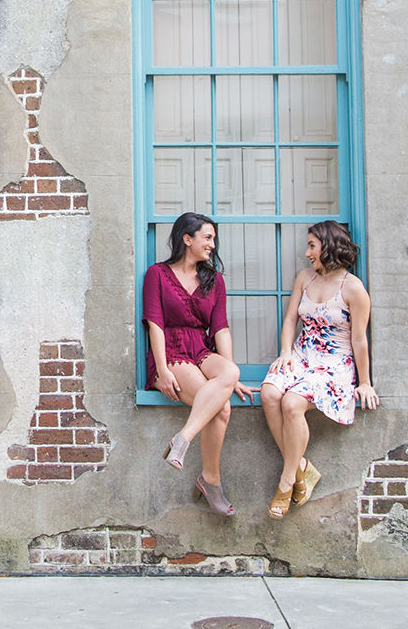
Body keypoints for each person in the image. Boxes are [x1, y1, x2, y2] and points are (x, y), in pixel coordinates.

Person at [260, 219, 378, 519]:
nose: (307, 253)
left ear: (329, 245)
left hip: (335, 362)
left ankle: (287, 483)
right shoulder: (305, 278)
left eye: (312, 245)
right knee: (270, 393)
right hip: (301, 353)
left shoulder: (353, 288)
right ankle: (300, 467)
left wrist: (364, 382)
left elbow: (359, 339)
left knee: (291, 403)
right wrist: (286, 352)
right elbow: (290, 320)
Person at [142, 211, 254, 516]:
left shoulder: (214, 280)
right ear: (186, 239)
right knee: (223, 407)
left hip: (201, 349)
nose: (213, 245)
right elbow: (154, 323)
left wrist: (230, 379)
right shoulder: (157, 274)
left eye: (214, 239)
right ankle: (211, 481)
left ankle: (183, 439)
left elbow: (221, 329)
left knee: (230, 370)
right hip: (172, 351)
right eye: (207, 237)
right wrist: (163, 371)